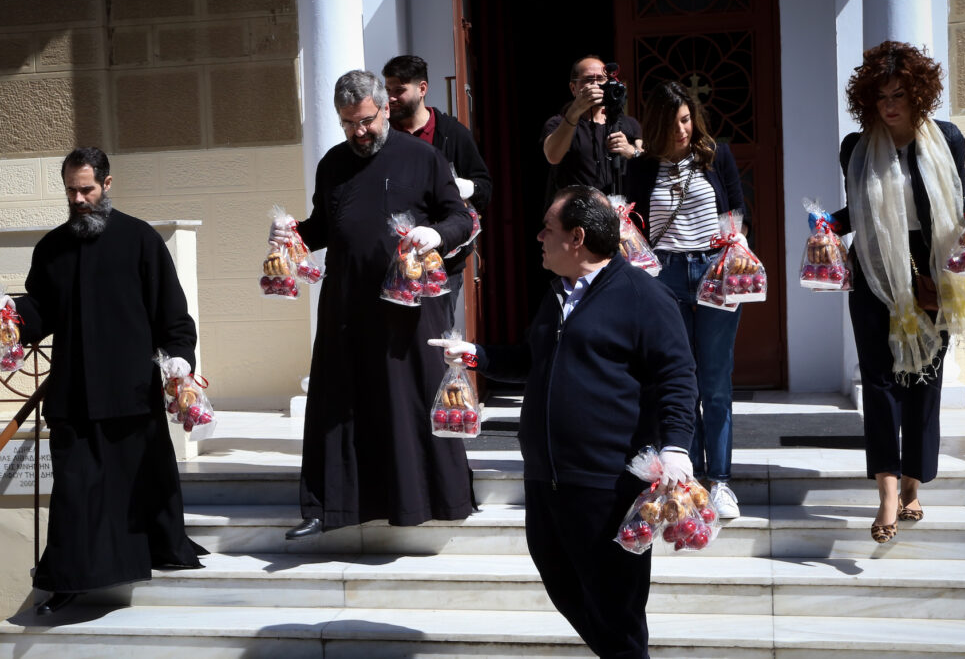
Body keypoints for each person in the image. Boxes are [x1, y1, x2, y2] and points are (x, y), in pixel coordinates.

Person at [431, 185, 697, 659]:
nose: (538, 238)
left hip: (607, 485)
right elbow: (534, 359)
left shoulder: (645, 296)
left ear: (577, 238)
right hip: (546, 479)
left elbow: (678, 376)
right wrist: (477, 356)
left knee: (617, 610)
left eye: (547, 230)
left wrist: (676, 446)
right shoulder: (558, 294)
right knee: (565, 587)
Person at [1, 147, 206, 615]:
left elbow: (172, 315)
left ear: (107, 185)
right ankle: (69, 581)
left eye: (86, 189)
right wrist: (12, 316)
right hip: (73, 393)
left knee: (138, 488)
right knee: (75, 492)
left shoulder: (140, 240)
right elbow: (40, 310)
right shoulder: (51, 247)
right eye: (71, 190)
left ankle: (155, 552)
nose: (77, 198)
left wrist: (180, 359)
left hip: (130, 391)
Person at [274, 70, 476, 540]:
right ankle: (331, 506)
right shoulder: (332, 164)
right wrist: (291, 235)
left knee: (409, 402)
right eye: (348, 124)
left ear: (385, 108)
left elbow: (459, 220)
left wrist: (437, 234)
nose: (358, 132)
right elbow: (325, 226)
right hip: (348, 306)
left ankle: (432, 501)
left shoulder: (424, 157)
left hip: (410, 308)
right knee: (339, 401)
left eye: (366, 120)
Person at [813, 41, 965, 543]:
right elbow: (857, 213)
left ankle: (915, 482)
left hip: (933, 272)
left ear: (919, 95)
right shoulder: (855, 147)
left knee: (925, 378)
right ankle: (888, 489)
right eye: (881, 96)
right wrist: (827, 224)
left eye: (899, 95)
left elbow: (954, 203)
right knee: (881, 380)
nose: (890, 105)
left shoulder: (947, 141)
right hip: (873, 269)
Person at [624, 81, 750, 519]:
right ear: (656, 124)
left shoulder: (717, 155)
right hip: (666, 276)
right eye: (673, 122)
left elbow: (737, 213)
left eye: (686, 119)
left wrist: (736, 250)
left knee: (715, 382)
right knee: (678, 381)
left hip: (715, 270)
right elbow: (633, 229)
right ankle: (686, 480)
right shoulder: (641, 168)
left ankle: (721, 482)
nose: (682, 129)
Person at [382, 54, 493, 322]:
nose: (391, 98)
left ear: (422, 89)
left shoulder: (452, 133)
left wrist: (462, 187)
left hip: (442, 260)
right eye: (387, 91)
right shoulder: (383, 135)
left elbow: (484, 189)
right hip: (392, 258)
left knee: (436, 334)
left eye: (399, 90)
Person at [541, 55, 643, 198]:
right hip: (577, 214)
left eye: (601, 79)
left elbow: (647, 162)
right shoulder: (559, 123)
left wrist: (631, 151)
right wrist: (575, 110)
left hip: (618, 212)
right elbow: (553, 156)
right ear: (573, 88)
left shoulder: (628, 124)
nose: (596, 85)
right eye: (588, 80)